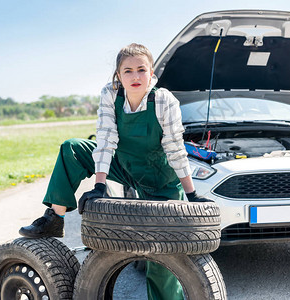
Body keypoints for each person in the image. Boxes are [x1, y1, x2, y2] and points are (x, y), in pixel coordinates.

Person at [19, 43, 211, 300]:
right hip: (125, 166)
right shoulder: (110, 94)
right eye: (128, 70)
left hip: (160, 180)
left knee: (161, 255)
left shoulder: (164, 100)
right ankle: (55, 218)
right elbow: (106, 138)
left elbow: (175, 148)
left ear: (151, 72)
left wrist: (192, 195)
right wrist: (99, 185)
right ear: (118, 75)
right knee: (71, 148)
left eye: (141, 70)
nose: (135, 76)